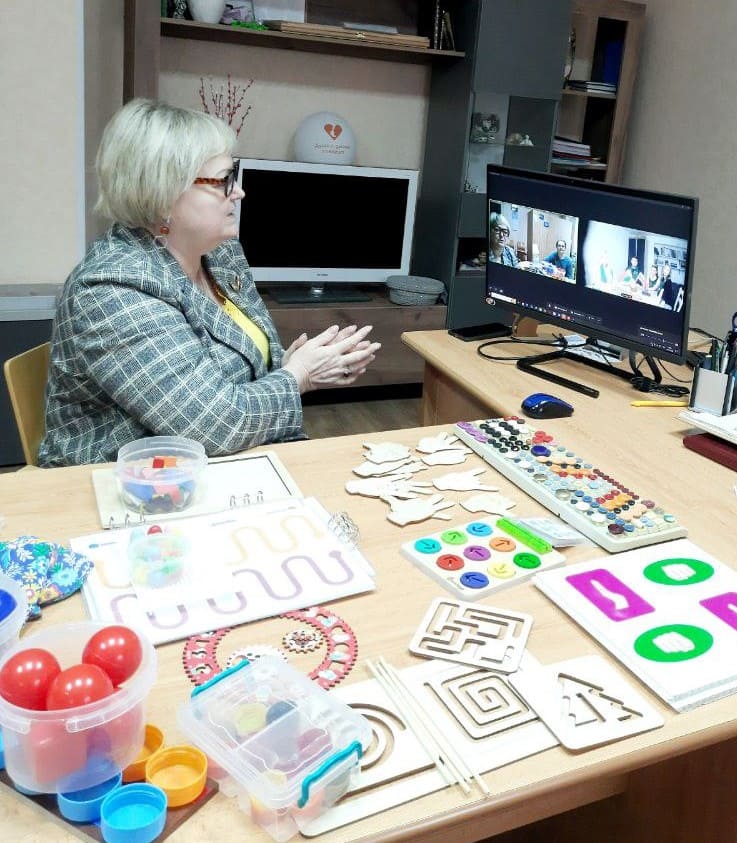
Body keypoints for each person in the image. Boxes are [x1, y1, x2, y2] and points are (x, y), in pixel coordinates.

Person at [38, 100, 380, 467]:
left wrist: (291, 362)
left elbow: (235, 367)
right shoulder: (111, 289)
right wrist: (299, 375)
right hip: (126, 484)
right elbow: (216, 425)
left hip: (219, 465)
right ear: (164, 192)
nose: (239, 192)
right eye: (223, 180)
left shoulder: (219, 254)